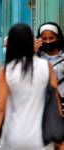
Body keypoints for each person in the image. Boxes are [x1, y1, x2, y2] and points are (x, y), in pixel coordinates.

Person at [0, 23, 56, 150]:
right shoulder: (47, 67)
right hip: (43, 137)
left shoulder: (6, 71)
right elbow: (54, 101)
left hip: (14, 136)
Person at [35, 22, 64, 150]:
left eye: (51, 38)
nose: (47, 41)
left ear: (58, 38)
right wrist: (32, 53)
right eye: (44, 38)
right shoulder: (37, 58)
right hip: (44, 104)